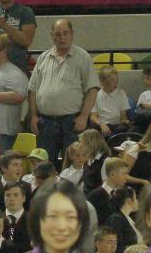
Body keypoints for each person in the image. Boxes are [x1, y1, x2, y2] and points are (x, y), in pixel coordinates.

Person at [27, 19, 100, 167]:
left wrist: (84, 117)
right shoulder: (43, 58)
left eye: (65, 33)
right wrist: (34, 116)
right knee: (45, 165)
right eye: (58, 34)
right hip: (45, 122)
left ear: (72, 34)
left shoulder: (82, 57)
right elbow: (32, 89)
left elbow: (92, 89)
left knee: (74, 164)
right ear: (52, 36)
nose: (62, 37)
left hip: (72, 122)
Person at [91, 65, 131, 137]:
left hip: (117, 126)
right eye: (112, 80)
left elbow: (123, 115)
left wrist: (125, 121)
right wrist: (101, 124)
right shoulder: (95, 95)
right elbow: (93, 116)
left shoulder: (121, 93)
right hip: (102, 125)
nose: (116, 83)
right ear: (103, 82)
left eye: (116, 79)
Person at [106, 185, 143, 253]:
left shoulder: (127, 218)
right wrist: (138, 248)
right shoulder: (116, 219)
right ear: (129, 201)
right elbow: (115, 248)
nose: (137, 201)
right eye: (135, 198)